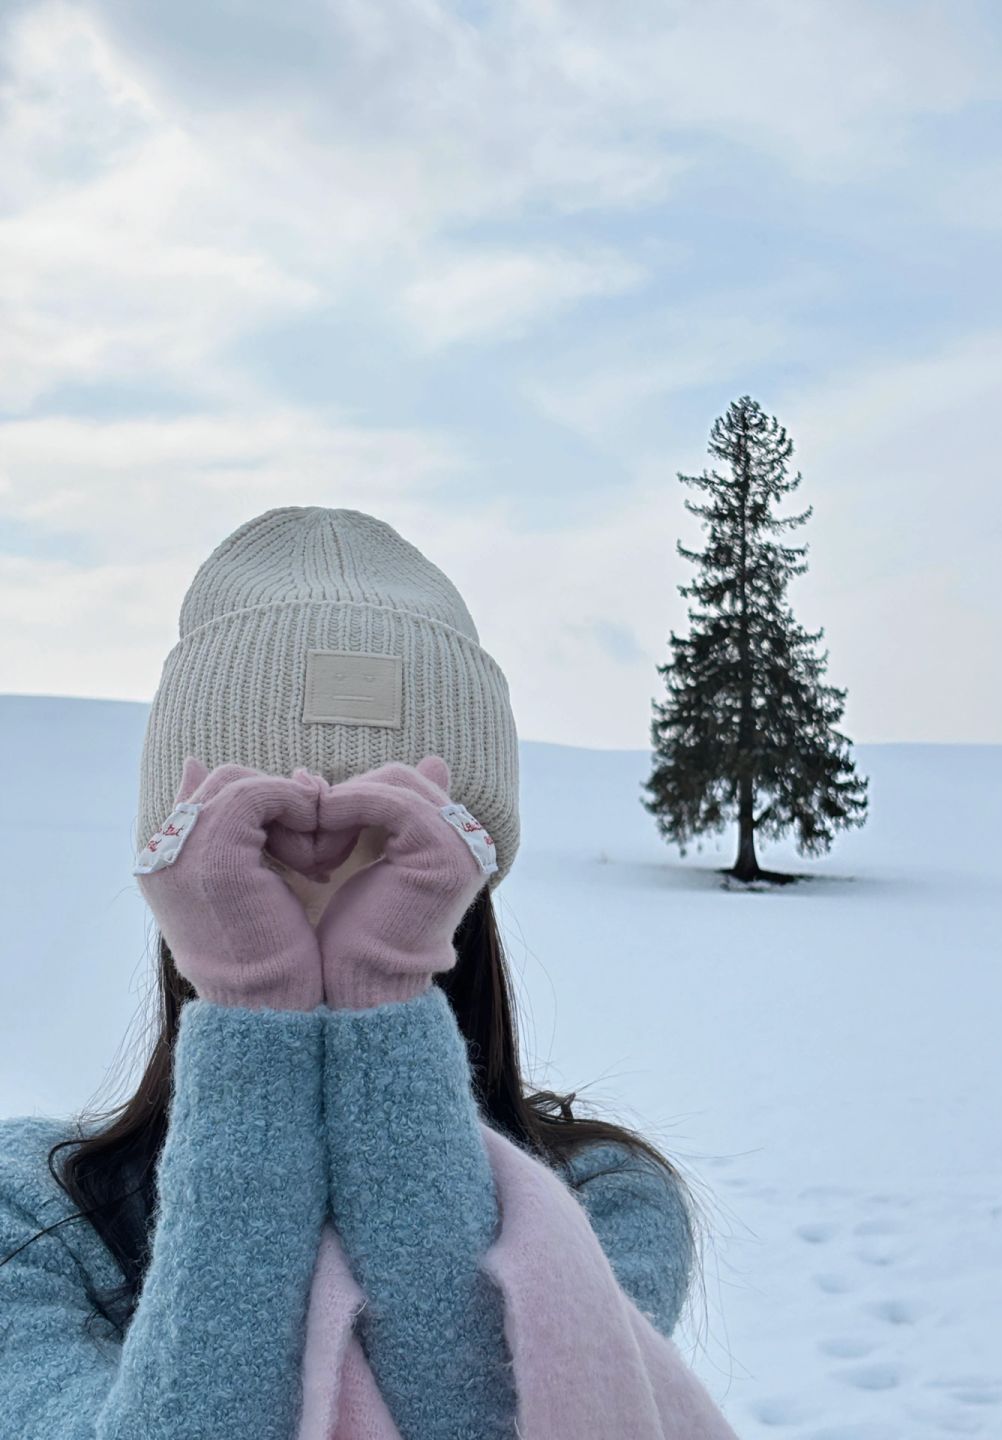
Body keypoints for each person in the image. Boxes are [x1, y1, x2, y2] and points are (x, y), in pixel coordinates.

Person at [0, 505, 723, 1439]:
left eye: (383, 841)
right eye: (259, 841)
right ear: (186, 877)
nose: (321, 884)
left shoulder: (602, 1201)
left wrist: (384, 999)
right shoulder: (34, 1211)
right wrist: (253, 1015)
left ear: (462, 883)